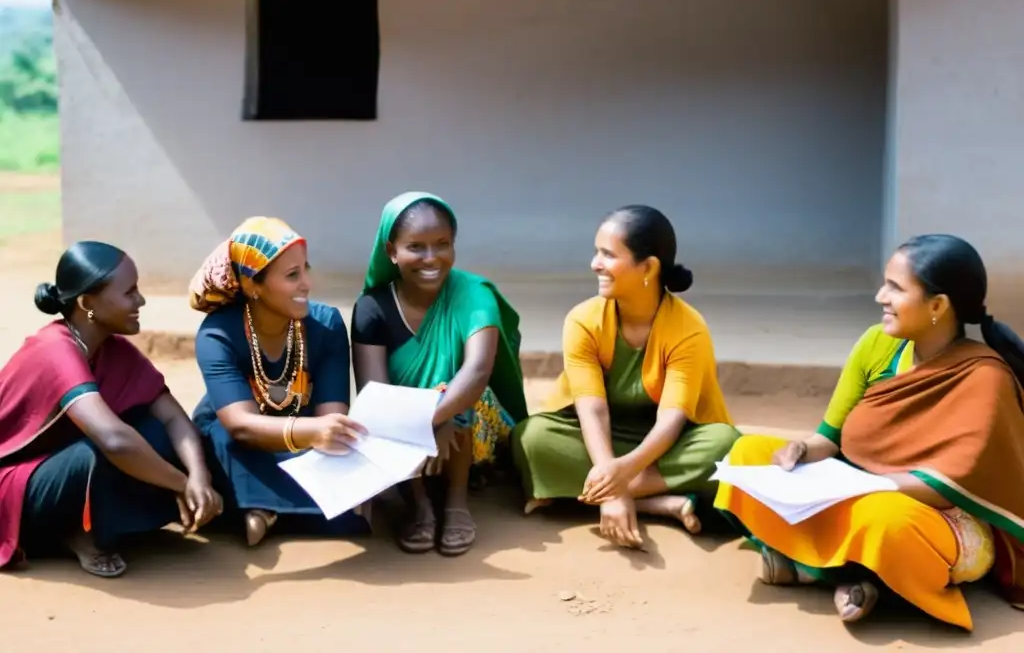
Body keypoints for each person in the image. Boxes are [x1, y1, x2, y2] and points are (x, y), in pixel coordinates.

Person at [715, 234, 1024, 630]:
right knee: (747, 453)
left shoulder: (985, 377)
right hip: (856, 487)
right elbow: (829, 436)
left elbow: (951, 484)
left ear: (937, 305)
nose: (880, 296)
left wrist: (861, 487)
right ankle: (855, 575)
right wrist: (800, 450)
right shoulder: (876, 344)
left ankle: (824, 570)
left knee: (883, 521)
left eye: (895, 288)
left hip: (935, 517)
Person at [512, 205, 740, 549]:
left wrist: (621, 477)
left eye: (608, 254)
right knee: (531, 438)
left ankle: (581, 497)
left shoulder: (688, 329)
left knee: (725, 446)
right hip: (602, 439)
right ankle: (658, 502)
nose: (595, 264)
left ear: (648, 267)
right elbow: (592, 410)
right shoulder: (583, 320)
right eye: (596, 252)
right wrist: (610, 477)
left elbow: (671, 419)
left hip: (669, 443)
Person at [0, 241, 221, 578]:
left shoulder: (113, 349)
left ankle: (85, 525)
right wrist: (180, 484)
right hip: (15, 483)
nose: (141, 300)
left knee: (158, 435)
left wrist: (199, 477)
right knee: (106, 449)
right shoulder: (54, 350)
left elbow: (174, 417)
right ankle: (72, 531)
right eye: (129, 292)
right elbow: (114, 441)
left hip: (64, 467)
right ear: (88, 303)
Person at [350, 192, 527, 556]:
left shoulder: (473, 294)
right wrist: (420, 424)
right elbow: (373, 393)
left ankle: (456, 502)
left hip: (469, 418)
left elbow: (477, 371)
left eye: (442, 244)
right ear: (391, 251)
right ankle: (419, 505)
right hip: (403, 426)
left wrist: (436, 418)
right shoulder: (372, 309)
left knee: (460, 393)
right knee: (393, 404)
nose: (431, 258)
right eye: (416, 246)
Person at [189, 217, 370, 547]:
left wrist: (324, 435)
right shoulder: (218, 334)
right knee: (221, 442)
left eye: (306, 269)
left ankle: (259, 507)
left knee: (344, 463)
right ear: (252, 286)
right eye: (292, 275)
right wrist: (316, 432)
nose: (307, 284)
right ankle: (284, 508)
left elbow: (329, 419)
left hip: (304, 441)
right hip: (239, 439)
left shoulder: (326, 324)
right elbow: (240, 425)